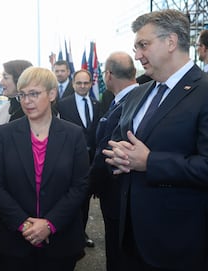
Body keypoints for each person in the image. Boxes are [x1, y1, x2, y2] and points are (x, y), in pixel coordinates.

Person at [103, 9, 208, 270]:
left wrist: (150, 162)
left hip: (183, 243)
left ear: (171, 42)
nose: (137, 55)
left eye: (143, 45)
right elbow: (118, 146)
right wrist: (117, 157)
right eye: (135, 47)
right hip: (130, 240)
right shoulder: (138, 93)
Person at [0, 66, 89, 271]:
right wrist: (23, 224)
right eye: (22, 95)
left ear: (52, 94)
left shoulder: (73, 135)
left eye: (34, 94)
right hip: (12, 241)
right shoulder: (5, 135)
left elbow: (80, 186)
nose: (26, 101)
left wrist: (49, 224)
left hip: (59, 242)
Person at [89, 51, 138, 271]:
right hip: (127, 196)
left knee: (119, 258)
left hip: (119, 197)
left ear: (109, 75)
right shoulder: (138, 99)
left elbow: (105, 154)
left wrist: (84, 186)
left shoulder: (127, 104)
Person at [57, 69, 101, 248]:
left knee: (85, 198)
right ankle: (67, 233)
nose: (83, 86)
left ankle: (81, 233)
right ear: (73, 84)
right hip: (70, 159)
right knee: (70, 197)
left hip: (91, 161)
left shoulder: (96, 104)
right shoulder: (63, 105)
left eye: (86, 83)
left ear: (91, 84)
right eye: (79, 83)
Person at [0, 59, 33, 157]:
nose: (1, 82)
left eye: (5, 77)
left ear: (19, 79)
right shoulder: (5, 107)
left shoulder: (32, 112)